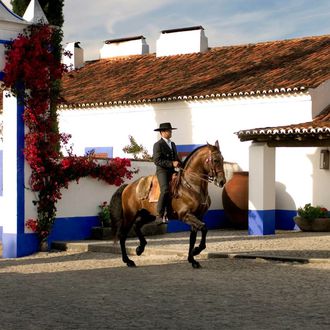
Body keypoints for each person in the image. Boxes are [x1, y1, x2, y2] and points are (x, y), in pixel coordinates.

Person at [153, 122, 182, 224]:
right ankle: (159, 215)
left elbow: (176, 158)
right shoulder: (158, 145)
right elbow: (157, 161)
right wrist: (171, 163)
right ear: (162, 132)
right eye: (168, 131)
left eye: (170, 131)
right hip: (162, 171)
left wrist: (182, 164)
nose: (170, 132)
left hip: (173, 170)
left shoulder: (173, 144)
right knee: (165, 190)